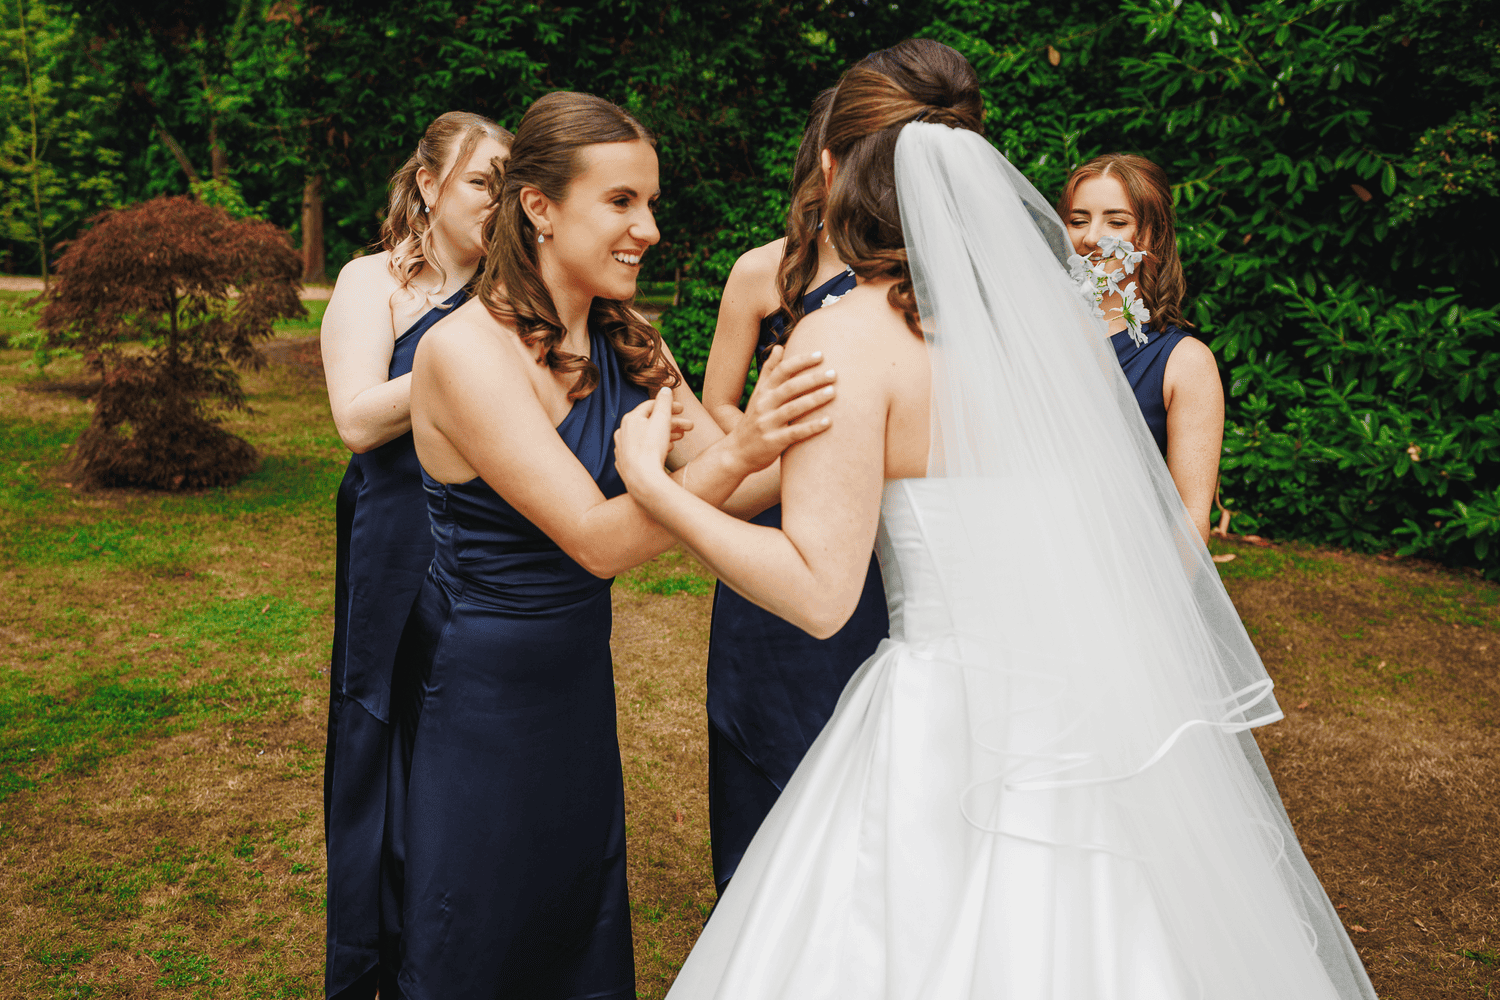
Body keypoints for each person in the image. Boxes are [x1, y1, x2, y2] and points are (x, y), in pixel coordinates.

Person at [614, 40, 1377, 999]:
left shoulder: (842, 338)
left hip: (943, 716)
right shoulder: (1044, 326)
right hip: (1076, 712)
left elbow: (818, 593)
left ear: (833, 167)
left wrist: (659, 492)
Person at [384, 91, 840, 999]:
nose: (650, 229)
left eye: (652, 203)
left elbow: (737, 487)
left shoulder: (629, 340)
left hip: (576, 683)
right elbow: (595, 541)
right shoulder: (462, 352)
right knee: (478, 920)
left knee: (570, 910)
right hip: (479, 693)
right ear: (539, 207)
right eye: (622, 201)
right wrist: (738, 450)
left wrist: (817, 428)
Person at [319, 110, 511, 1000]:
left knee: (468, 745)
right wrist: (461, 349)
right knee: (385, 734)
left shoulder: (519, 292)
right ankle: (379, 960)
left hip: (491, 539)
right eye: (479, 181)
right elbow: (358, 421)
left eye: (509, 184)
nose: (497, 200)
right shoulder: (372, 283)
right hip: (396, 540)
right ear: (430, 186)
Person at [697, 87, 889, 894]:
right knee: (759, 719)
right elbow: (717, 401)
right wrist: (764, 446)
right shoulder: (762, 272)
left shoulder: (907, 289)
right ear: (825, 162)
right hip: (770, 528)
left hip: (869, 534)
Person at [1059, 154, 1224, 544]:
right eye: (1078, 220)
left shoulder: (1183, 362)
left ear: (1151, 236)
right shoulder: (1029, 336)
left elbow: (1190, 518)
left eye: (1116, 222)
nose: (1092, 237)